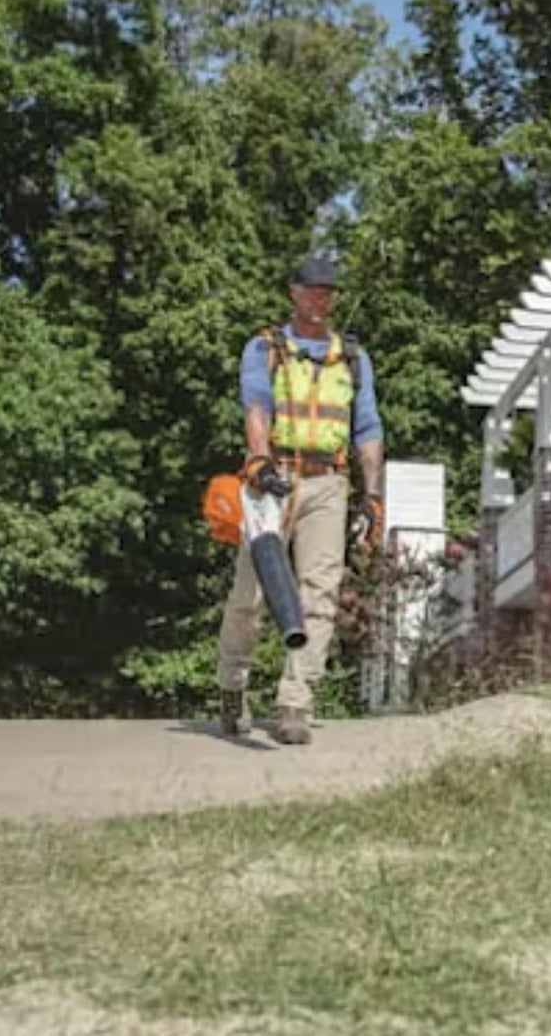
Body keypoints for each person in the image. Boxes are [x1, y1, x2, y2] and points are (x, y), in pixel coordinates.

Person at [218, 254, 385, 744]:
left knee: (320, 594)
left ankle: (296, 702)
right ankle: (232, 685)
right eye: (312, 289)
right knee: (251, 595)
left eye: (327, 291)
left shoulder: (352, 358)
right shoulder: (265, 347)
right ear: (293, 292)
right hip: (273, 477)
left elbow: (368, 428)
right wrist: (258, 458)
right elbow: (256, 404)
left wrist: (373, 497)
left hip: (329, 481)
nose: (320, 298)